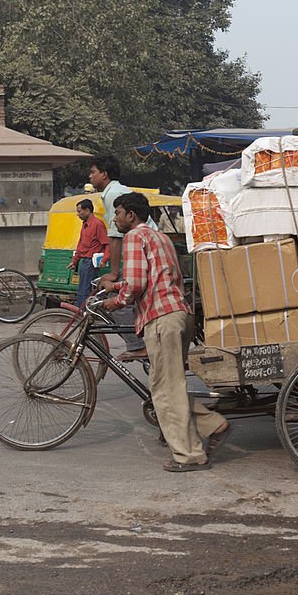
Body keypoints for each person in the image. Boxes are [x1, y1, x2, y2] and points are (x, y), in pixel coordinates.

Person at [100, 192, 231, 472]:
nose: (115, 219)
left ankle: (190, 456)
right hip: (179, 314)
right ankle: (213, 424)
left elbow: (135, 284)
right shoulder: (160, 237)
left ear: (131, 216)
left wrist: (117, 300)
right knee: (170, 385)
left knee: (164, 390)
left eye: (118, 213)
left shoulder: (134, 237)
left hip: (161, 317)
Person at [88, 155, 156, 362]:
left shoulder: (114, 195)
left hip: (143, 251)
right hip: (145, 250)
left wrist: (114, 273)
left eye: (93, 172)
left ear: (104, 174)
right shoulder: (114, 192)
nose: (90, 177)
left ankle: (137, 345)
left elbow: (115, 236)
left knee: (117, 304)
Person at [67, 199, 109, 307]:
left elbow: (107, 244)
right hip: (84, 261)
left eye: (79, 211)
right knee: (81, 290)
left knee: (86, 290)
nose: (78, 214)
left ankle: (84, 314)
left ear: (87, 210)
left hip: (91, 262)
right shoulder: (85, 225)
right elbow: (81, 244)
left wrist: (104, 260)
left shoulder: (97, 224)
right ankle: (81, 313)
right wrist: (74, 261)